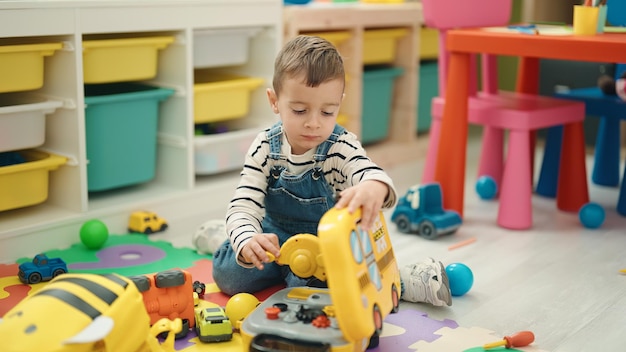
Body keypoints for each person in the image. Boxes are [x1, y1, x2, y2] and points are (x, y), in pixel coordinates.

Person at [207, 35, 451, 307]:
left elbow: (366, 170)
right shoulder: (265, 146)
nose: (313, 123)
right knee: (227, 275)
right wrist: (248, 238)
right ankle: (229, 235)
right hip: (274, 240)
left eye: (327, 112)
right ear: (274, 101)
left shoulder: (339, 146)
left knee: (314, 295)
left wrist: (374, 186)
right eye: (300, 110)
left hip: (326, 247)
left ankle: (401, 280)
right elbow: (244, 202)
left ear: (339, 103)